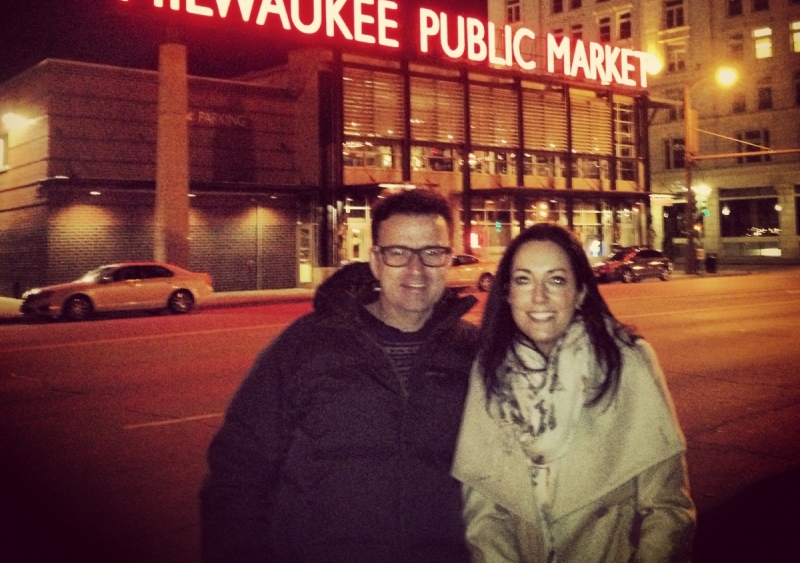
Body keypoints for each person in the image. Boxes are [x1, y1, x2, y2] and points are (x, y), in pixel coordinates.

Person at [200, 188, 479, 563]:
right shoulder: (307, 346)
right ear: (376, 261)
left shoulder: (478, 354)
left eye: (432, 253)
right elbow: (239, 470)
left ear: (449, 260)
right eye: (398, 253)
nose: (417, 270)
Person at [452, 223, 695, 563]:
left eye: (556, 280)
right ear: (507, 293)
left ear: (580, 292)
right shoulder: (491, 371)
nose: (539, 297)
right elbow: (485, 513)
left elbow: (667, 509)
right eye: (524, 280)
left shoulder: (626, 364)